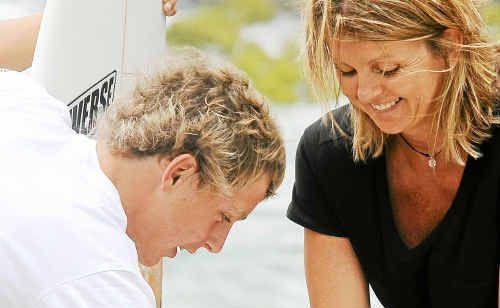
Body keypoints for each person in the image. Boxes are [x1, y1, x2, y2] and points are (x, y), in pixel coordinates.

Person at [0, 3, 286, 308]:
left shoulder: (24, 103)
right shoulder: (99, 278)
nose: (216, 244)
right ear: (179, 173)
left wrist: (111, 12)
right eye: (224, 217)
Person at [287, 0, 499, 307]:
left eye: (387, 70)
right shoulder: (328, 155)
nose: (365, 93)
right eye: (347, 72)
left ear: (450, 46)